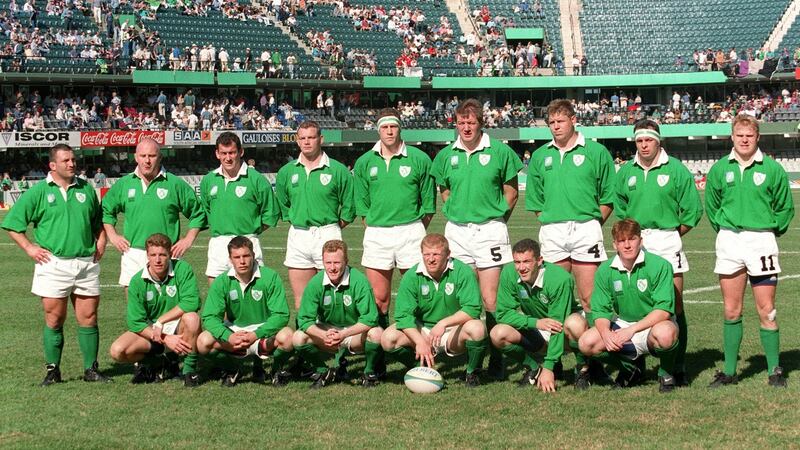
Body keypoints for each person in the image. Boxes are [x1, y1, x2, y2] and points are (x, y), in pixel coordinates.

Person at [429, 98, 523, 379]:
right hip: (457, 231)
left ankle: (497, 358)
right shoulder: (447, 155)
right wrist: (459, 212)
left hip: (490, 230)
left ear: (481, 122)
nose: (466, 127)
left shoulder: (499, 151)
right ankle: (473, 360)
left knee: (490, 298)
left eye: (471, 122)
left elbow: (512, 192)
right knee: (464, 298)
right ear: (455, 123)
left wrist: (494, 218)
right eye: (461, 122)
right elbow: (444, 191)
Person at [2, 144, 110, 385]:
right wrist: (30, 248)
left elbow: (98, 223)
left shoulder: (86, 189)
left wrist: (102, 240)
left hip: (85, 262)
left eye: (73, 159)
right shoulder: (38, 191)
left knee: (89, 317)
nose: (72, 164)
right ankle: (53, 371)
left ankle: (91, 369)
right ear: (52, 165)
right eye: (66, 160)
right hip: (53, 263)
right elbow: (13, 224)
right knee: (54, 318)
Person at [705, 115, 794, 388]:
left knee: (766, 309)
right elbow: (712, 206)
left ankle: (774, 370)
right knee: (732, 310)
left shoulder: (772, 169)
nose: (744, 140)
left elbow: (784, 208)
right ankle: (730, 372)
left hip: (761, 241)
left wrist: (767, 229)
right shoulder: (720, 169)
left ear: (757, 138)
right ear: (732, 137)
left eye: (749, 135)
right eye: (739, 135)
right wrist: (725, 228)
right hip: (730, 240)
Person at [614, 119, 702, 386]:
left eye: (648, 140)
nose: (643, 145)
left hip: (666, 240)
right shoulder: (626, 171)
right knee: (635, 303)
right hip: (636, 242)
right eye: (639, 141)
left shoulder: (675, 170)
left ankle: (677, 366)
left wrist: (673, 235)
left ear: (658, 141)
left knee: (674, 305)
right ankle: (635, 363)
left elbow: (693, 212)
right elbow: (621, 211)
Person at [352, 108, 435, 351]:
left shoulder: (419, 158)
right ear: (378, 129)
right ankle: (380, 353)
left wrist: (412, 226)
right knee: (379, 299)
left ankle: (420, 347)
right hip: (378, 234)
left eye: (394, 126)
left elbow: (428, 205)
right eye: (385, 127)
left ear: (400, 128)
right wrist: (381, 226)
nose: (389, 131)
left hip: (411, 231)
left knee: (419, 293)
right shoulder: (365, 162)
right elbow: (363, 209)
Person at [526, 99, 615, 318]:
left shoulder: (596, 151)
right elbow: (536, 200)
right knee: (555, 295)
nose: (556, 126)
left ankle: (594, 349)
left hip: (586, 229)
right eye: (551, 122)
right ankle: (557, 349)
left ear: (573, 120)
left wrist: (592, 222)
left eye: (561, 121)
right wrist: (552, 219)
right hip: (552, 230)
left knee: (589, 297)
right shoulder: (539, 156)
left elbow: (608, 196)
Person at [578, 219, 679, 392]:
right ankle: (632, 369)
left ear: (640, 240)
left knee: (666, 333)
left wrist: (631, 331)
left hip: (653, 324)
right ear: (614, 244)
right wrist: (605, 333)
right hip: (623, 323)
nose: (627, 245)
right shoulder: (605, 269)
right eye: (621, 241)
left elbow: (663, 311)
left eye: (631, 239)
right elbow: (600, 309)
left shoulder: (660, 265)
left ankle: (666, 373)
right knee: (586, 343)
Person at [101, 138, 205, 297]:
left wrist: (188, 239)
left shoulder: (175, 184)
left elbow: (198, 213)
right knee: (135, 310)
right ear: (136, 157)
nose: (147, 161)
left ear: (160, 157)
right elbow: (106, 210)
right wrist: (113, 236)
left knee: (167, 308)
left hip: (165, 254)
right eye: (143, 156)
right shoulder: (124, 184)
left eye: (152, 156)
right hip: (133, 253)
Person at [381, 234, 487, 387]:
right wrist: (419, 341)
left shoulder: (463, 272)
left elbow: (472, 309)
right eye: (427, 254)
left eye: (436, 254)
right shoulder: (411, 276)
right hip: (423, 329)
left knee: (477, 328)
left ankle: (472, 372)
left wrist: (443, 323)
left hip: (453, 330)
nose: (431, 259)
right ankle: (421, 368)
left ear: (448, 254)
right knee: (387, 338)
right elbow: (403, 316)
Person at [275, 121, 355, 310]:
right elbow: (283, 204)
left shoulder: (338, 170)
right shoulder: (287, 171)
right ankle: (306, 339)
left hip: (328, 233)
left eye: (311, 137)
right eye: (302, 138)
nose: (307, 142)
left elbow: (349, 206)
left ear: (321, 139)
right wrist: (295, 218)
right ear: (297, 141)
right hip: (298, 234)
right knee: (301, 300)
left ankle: (335, 337)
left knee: (333, 296)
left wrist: (332, 227)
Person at [491, 239, 589, 391]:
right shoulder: (509, 273)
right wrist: (536, 323)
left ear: (539, 261)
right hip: (540, 326)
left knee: (574, 324)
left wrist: (549, 366)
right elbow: (502, 314)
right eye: (517, 262)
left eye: (526, 262)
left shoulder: (559, 279)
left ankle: (583, 369)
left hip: (566, 330)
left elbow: (557, 324)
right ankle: (534, 368)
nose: (521, 267)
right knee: (498, 333)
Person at [197, 236, 295, 387]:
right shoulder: (222, 281)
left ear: (253, 256)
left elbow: (281, 315)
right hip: (235, 333)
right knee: (203, 342)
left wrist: (256, 334)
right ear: (230, 259)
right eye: (237, 257)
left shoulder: (270, 276)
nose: (242, 261)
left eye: (246, 256)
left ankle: (275, 370)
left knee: (288, 337)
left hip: (263, 333)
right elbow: (209, 317)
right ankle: (233, 369)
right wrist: (228, 336)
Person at [108, 233, 201, 387]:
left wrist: (161, 321)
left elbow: (192, 302)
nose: (158, 260)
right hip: (152, 331)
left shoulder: (182, 269)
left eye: (163, 255)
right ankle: (157, 360)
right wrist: (164, 338)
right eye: (153, 255)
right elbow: (135, 322)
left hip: (177, 325)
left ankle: (189, 371)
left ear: (170, 254)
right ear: (147, 256)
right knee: (118, 351)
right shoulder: (137, 281)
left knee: (192, 318)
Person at [292, 240, 383, 388]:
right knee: (297, 338)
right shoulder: (315, 283)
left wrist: (344, 334)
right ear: (322, 262)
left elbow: (370, 318)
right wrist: (323, 335)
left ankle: (368, 372)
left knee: (377, 333)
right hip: (327, 332)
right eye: (328, 263)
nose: (332, 268)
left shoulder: (359, 281)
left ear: (346, 261)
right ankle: (323, 371)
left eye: (337, 263)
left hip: (353, 333)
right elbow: (304, 320)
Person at [199, 132, 279, 283]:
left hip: (248, 242)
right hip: (218, 244)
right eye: (223, 153)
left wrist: (251, 229)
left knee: (251, 298)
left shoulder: (257, 180)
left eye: (232, 153)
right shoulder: (208, 180)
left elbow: (271, 214)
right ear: (217, 154)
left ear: (241, 152)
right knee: (218, 300)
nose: (228, 158)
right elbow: (206, 210)